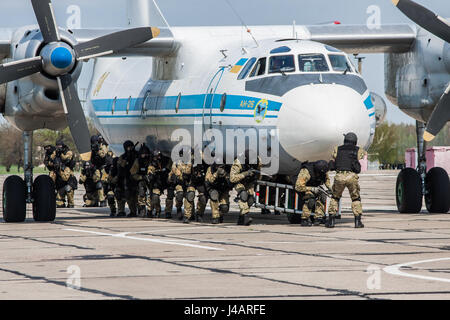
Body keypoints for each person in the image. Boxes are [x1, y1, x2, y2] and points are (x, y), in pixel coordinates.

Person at [327, 132, 367, 228]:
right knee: (355, 198)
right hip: (351, 176)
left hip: (339, 176)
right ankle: (357, 222)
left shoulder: (337, 149)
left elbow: (334, 157)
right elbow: (362, 155)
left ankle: (331, 221)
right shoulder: (359, 150)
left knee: (335, 197)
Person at [295, 160, 331, 226]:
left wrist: (330, 189)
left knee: (322, 196)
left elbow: (327, 180)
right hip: (305, 187)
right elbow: (298, 186)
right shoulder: (306, 172)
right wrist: (312, 189)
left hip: (315, 187)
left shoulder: (323, 171)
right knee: (310, 199)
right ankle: (304, 219)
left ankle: (318, 218)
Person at [230, 150, 261, 226]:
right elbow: (232, 178)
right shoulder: (238, 163)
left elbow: (259, 171)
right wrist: (245, 173)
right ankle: (245, 216)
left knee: (250, 200)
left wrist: (255, 177)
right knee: (243, 195)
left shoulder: (258, 161)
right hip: (239, 181)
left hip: (249, 181)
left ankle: (241, 218)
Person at [167, 149, 192, 223]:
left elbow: (192, 172)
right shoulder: (176, 163)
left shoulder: (190, 163)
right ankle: (178, 208)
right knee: (180, 194)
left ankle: (187, 216)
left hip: (189, 183)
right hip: (180, 184)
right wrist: (171, 178)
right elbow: (172, 173)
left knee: (189, 196)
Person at [205, 160, 233, 224]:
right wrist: (216, 173)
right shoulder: (210, 169)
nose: (218, 167)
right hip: (214, 188)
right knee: (213, 197)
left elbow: (231, 181)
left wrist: (226, 176)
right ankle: (215, 217)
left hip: (223, 189)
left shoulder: (228, 168)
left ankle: (220, 214)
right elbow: (209, 181)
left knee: (225, 208)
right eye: (217, 166)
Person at [52, 140, 77, 208]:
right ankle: (61, 201)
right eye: (57, 146)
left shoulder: (68, 152)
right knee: (59, 202)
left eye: (60, 146)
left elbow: (66, 159)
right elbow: (50, 161)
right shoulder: (55, 153)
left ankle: (71, 203)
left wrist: (61, 154)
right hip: (59, 176)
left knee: (68, 188)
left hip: (68, 175)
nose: (58, 147)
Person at [130, 143, 153, 217]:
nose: (145, 156)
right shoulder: (138, 161)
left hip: (150, 180)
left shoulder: (151, 161)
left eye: (146, 154)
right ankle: (142, 208)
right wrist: (142, 177)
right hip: (141, 179)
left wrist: (151, 176)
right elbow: (133, 174)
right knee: (141, 192)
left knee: (150, 194)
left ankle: (150, 210)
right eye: (143, 154)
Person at [117, 140, 138, 217]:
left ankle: (141, 209)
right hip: (127, 178)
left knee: (138, 195)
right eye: (128, 147)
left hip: (136, 177)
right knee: (129, 196)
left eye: (131, 147)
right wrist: (126, 159)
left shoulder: (137, 155)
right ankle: (133, 211)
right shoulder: (123, 157)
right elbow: (120, 167)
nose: (130, 148)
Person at [148, 149, 170, 218]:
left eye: (158, 156)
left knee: (171, 195)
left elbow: (170, 169)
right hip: (157, 183)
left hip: (165, 181)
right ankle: (157, 210)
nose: (157, 158)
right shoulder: (152, 164)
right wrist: (151, 175)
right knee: (155, 196)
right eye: (156, 156)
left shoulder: (166, 161)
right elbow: (150, 171)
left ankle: (168, 212)